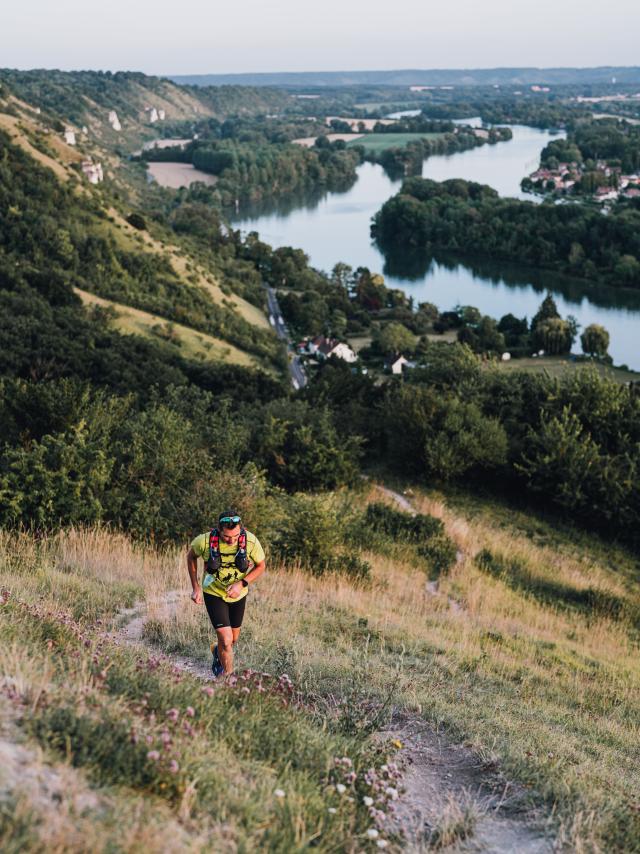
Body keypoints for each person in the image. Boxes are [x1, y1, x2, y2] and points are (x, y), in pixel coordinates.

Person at [187, 510, 265, 677]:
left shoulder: (250, 541)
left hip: (239, 594)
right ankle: (227, 680)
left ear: (241, 529)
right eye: (227, 536)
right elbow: (191, 557)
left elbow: (261, 566)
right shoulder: (204, 541)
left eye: (236, 536)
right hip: (213, 592)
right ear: (218, 530)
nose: (232, 541)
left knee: (232, 640)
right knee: (226, 640)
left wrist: (242, 583)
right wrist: (196, 587)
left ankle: (217, 651)